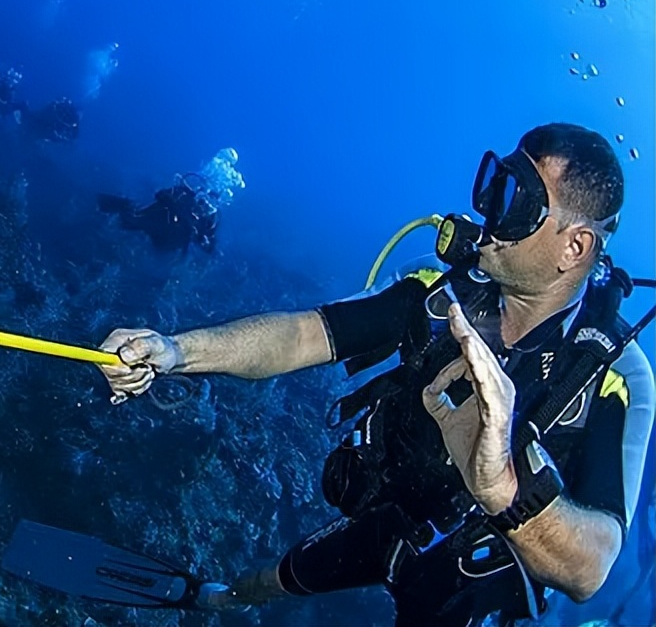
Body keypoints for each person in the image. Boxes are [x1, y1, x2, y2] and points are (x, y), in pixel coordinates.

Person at [93, 123, 654, 625]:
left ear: (574, 246)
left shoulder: (611, 373)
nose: (487, 211)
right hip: (386, 516)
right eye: (494, 184)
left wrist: (501, 488)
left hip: (472, 585)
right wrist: (174, 350)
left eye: (515, 200)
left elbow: (592, 568)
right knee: (282, 575)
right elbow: (306, 334)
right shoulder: (438, 294)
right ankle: (218, 598)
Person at [99, 175, 219, 254]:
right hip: (158, 220)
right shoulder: (185, 195)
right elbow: (160, 194)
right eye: (203, 201)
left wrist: (203, 241)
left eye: (209, 206)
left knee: (131, 223)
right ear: (199, 195)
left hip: (168, 241)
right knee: (129, 218)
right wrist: (173, 205)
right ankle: (100, 208)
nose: (204, 206)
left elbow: (209, 247)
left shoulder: (208, 223)